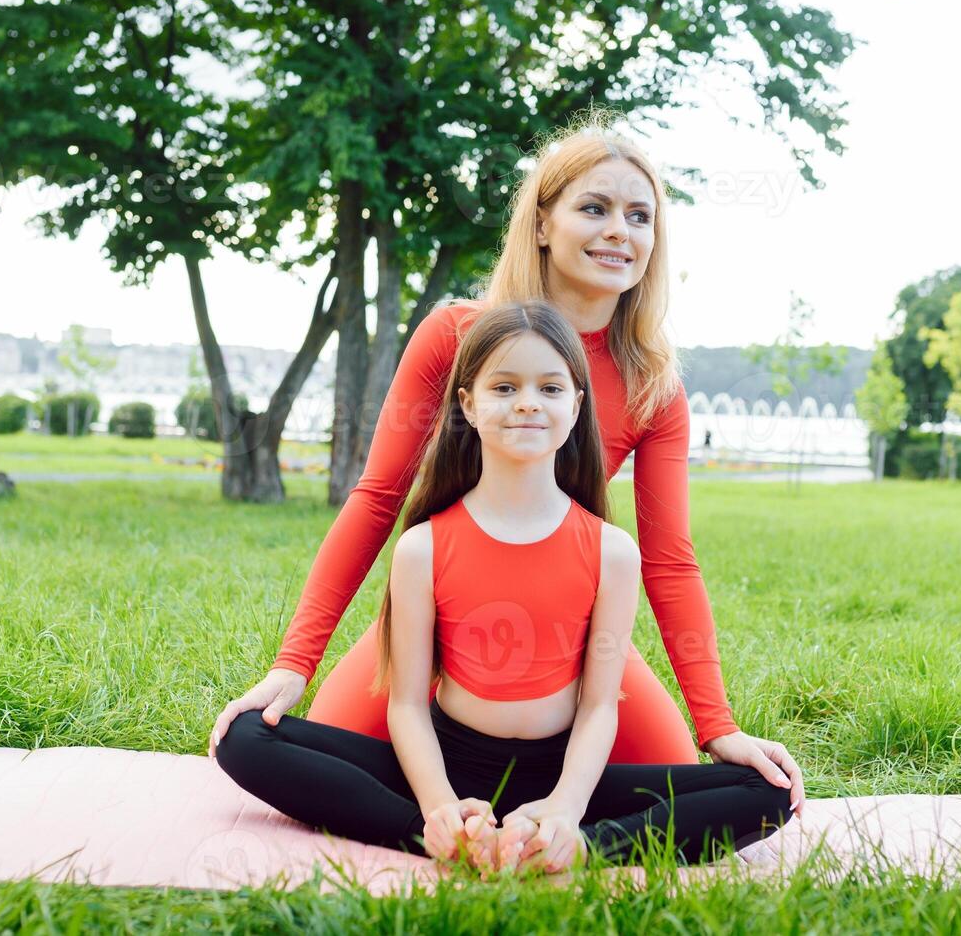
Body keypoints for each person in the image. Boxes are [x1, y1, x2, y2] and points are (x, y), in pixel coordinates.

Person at [208, 118, 805, 807]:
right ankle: (445, 821)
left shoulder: (653, 387)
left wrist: (717, 724)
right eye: (595, 208)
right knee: (303, 752)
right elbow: (377, 499)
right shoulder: (455, 335)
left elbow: (671, 561)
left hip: (573, 644)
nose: (620, 230)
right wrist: (293, 664)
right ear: (543, 223)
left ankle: (551, 824)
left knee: (697, 784)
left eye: (640, 216)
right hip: (438, 624)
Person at [215, 302, 793, 873]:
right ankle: (434, 835)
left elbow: (597, 710)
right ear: (466, 404)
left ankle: (576, 843)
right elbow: (409, 705)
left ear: (576, 407)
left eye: (550, 388)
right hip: (444, 759)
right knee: (243, 739)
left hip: (561, 771)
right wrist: (437, 803)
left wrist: (567, 809)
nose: (526, 403)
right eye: (504, 387)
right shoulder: (423, 548)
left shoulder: (612, 553)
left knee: (766, 790)